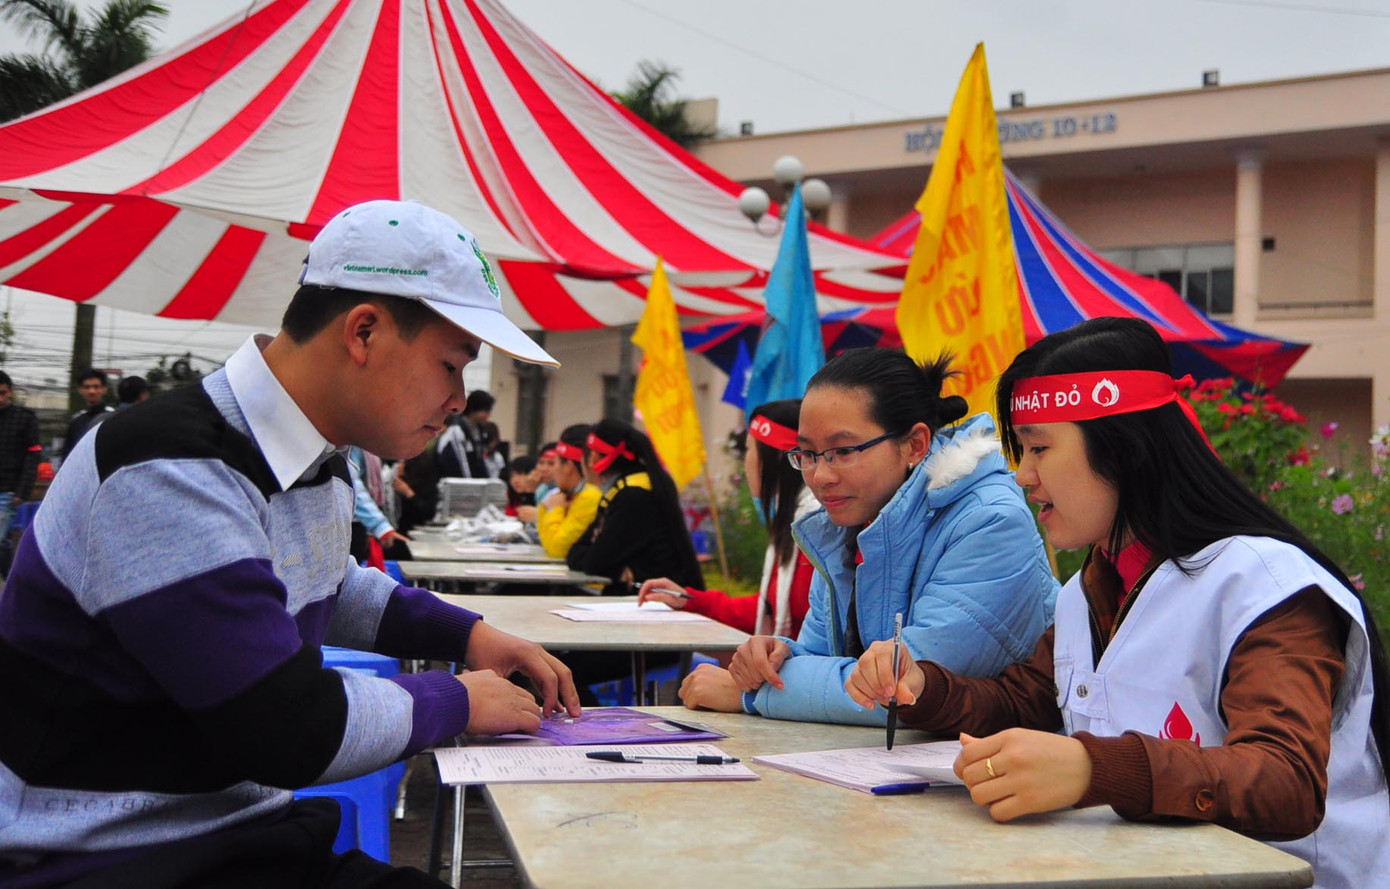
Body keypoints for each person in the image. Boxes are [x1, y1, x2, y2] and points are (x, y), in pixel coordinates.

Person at [0, 199, 581, 889]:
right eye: (453, 364)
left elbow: (326, 580)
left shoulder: (314, 459)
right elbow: (283, 726)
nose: (459, 397)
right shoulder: (166, 467)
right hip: (103, 856)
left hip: (240, 835)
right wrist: (455, 699)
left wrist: (472, 634)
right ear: (363, 331)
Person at [845, 318, 1390, 889]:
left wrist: (1092, 769)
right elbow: (1025, 703)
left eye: (1038, 447)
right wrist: (922, 686)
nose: (1024, 475)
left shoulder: (1265, 589)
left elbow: (1286, 781)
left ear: (1124, 451)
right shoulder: (1088, 589)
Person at [694, 347, 1058, 722]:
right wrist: (773, 658)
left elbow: (902, 691)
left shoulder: (990, 522)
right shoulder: (845, 523)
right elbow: (823, 657)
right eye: (807, 454)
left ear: (915, 444)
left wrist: (754, 692)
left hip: (993, 770)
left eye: (844, 450)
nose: (821, 476)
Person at [639, 398, 815, 639]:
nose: (745, 463)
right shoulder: (794, 521)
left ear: (773, 458)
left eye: (749, 449)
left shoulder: (818, 526)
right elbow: (768, 608)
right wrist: (690, 600)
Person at [566, 418, 705, 596]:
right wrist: (617, 568)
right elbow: (576, 553)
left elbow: (595, 562)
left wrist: (608, 563)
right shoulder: (628, 487)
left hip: (657, 604)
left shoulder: (634, 495)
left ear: (593, 458)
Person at [535, 424, 600, 560]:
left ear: (568, 466)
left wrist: (554, 510)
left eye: (555, 464)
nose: (553, 471)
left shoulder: (590, 496)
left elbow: (558, 550)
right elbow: (546, 542)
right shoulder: (570, 495)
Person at [346, 445, 413, 564]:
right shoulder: (352, 444)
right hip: (349, 524)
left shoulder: (366, 446)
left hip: (359, 522)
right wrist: (380, 526)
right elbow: (351, 484)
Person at [0, 371, 40, 542]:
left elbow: (33, 457)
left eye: (2, 393)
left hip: (8, 491)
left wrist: (22, 491)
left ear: (10, 392)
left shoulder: (24, 418)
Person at [436, 389, 494, 478]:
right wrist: (468, 483)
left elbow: (482, 458)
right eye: (486, 411)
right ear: (475, 409)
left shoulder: (480, 430)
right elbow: (462, 461)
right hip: (455, 481)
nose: (488, 415)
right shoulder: (457, 430)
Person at [61, 368, 113, 459]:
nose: (91, 391)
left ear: (104, 389)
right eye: (87, 387)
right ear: (80, 390)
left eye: (96, 387)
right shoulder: (76, 422)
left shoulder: (113, 418)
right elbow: (68, 454)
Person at [503, 453, 540, 521]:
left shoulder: (544, 494)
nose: (515, 480)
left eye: (520, 474)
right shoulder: (513, 495)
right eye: (512, 476)